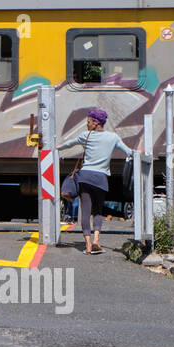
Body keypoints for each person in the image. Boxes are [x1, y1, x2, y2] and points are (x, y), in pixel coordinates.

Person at [57, 108, 132, 255]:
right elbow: (129, 152)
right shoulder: (113, 137)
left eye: (89, 122)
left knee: (85, 211)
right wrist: (140, 152)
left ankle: (88, 244)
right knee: (98, 211)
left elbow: (68, 144)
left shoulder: (86, 136)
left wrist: (54, 148)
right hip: (100, 178)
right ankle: (97, 240)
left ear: (96, 123)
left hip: (85, 177)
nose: (87, 125)